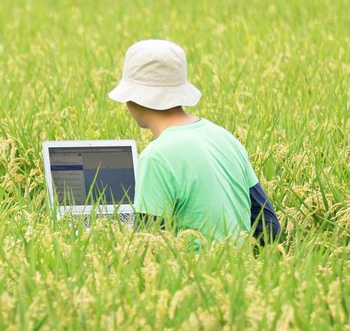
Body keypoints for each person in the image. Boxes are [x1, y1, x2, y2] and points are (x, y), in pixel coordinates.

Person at [109, 39, 280, 244]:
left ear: (132, 99)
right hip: (239, 272)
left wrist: (118, 234)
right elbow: (269, 226)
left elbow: (147, 247)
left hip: (191, 274)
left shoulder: (156, 157)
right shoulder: (225, 138)